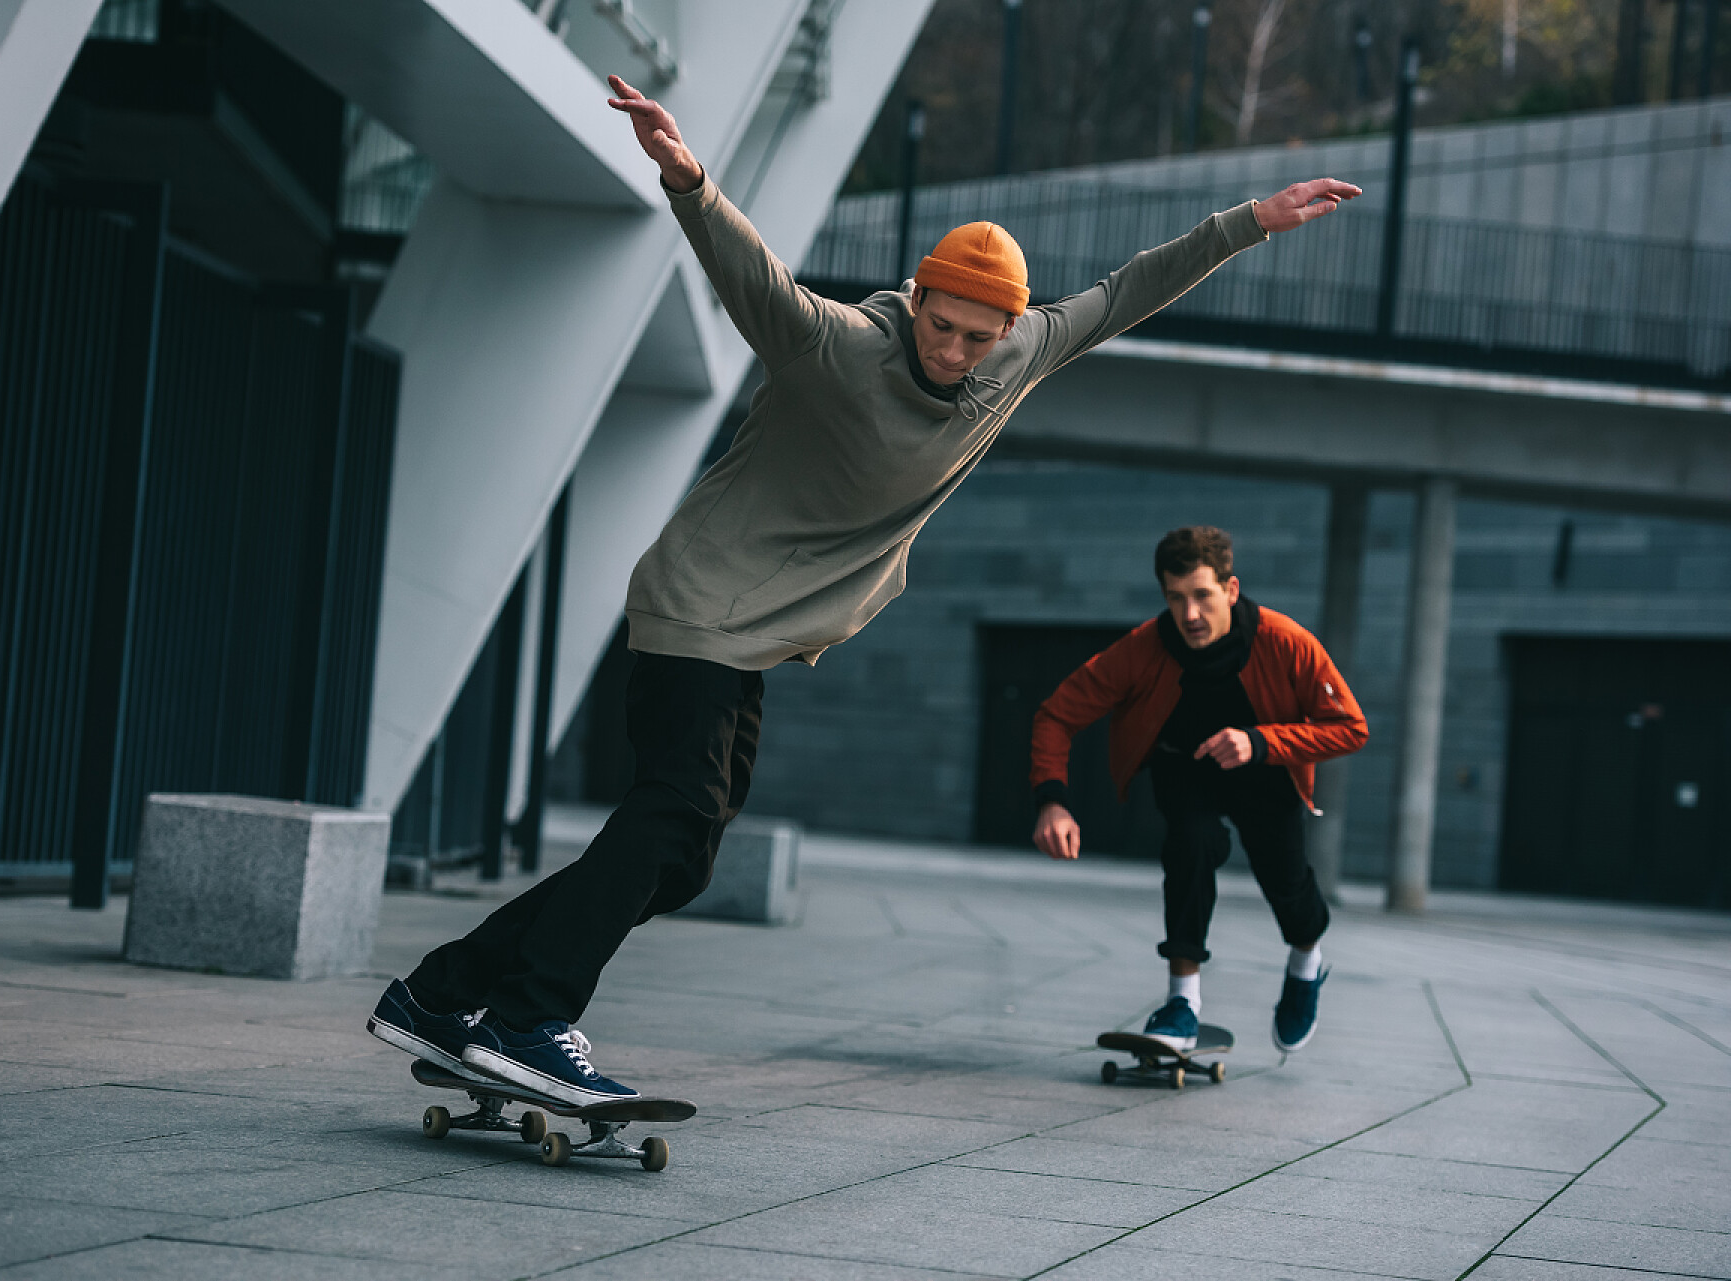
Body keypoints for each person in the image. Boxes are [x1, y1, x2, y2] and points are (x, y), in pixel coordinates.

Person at [368, 74, 1362, 1105]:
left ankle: (444, 993)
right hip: (698, 602)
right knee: (669, 815)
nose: (957, 353)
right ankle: (531, 1015)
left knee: (686, 860)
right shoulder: (837, 346)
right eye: (945, 327)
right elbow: (755, 278)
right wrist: (689, 178)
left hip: (755, 635)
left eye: (981, 338)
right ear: (920, 298)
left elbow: (1125, 291)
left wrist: (1251, 222)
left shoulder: (1013, 358)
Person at [1029, 526, 1367, 1054]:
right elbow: (1057, 714)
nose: (1189, 615)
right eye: (1175, 598)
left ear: (1231, 590)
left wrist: (1260, 742)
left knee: (1287, 885)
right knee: (1189, 846)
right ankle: (1182, 1001)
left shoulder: (1285, 642)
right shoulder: (1144, 648)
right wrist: (1052, 800)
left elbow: (1350, 727)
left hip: (1265, 771)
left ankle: (1306, 962)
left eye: (1203, 597)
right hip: (1184, 769)